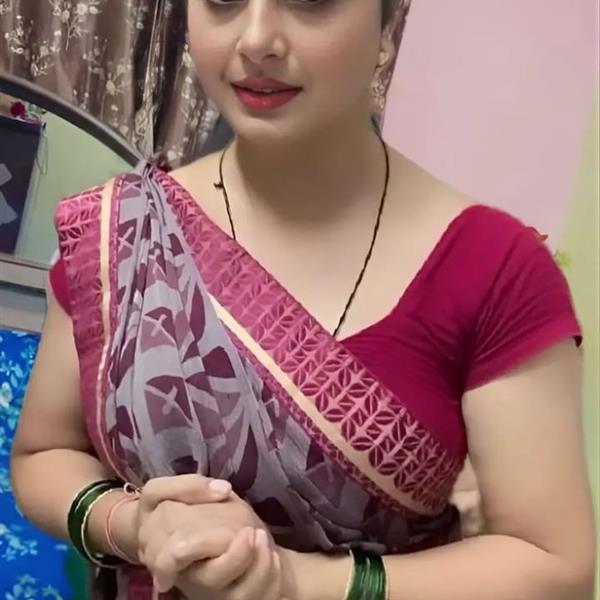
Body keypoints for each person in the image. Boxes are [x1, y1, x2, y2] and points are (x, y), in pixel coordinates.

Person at [10, 1, 596, 599]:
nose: (256, 39)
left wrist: (301, 583)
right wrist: (134, 526)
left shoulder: (495, 269)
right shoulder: (119, 233)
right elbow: (43, 453)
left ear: (389, 22)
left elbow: (555, 566)